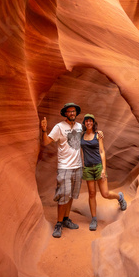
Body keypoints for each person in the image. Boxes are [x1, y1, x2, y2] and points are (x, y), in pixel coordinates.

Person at [41, 102, 83, 238]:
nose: (72, 113)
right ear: (65, 113)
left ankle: (66, 219)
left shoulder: (79, 126)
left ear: (76, 113)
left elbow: (87, 138)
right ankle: (58, 224)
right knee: (63, 196)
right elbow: (47, 142)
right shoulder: (59, 127)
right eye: (69, 111)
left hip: (77, 167)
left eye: (73, 111)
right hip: (64, 167)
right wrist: (44, 130)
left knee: (70, 195)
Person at [80, 114, 127, 231]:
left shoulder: (98, 135)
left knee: (105, 194)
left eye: (90, 121)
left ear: (93, 123)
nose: (88, 123)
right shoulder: (82, 136)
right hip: (88, 168)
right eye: (86, 121)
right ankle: (94, 219)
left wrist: (104, 169)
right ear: (84, 123)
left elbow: (102, 151)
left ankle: (119, 197)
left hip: (98, 167)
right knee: (91, 194)